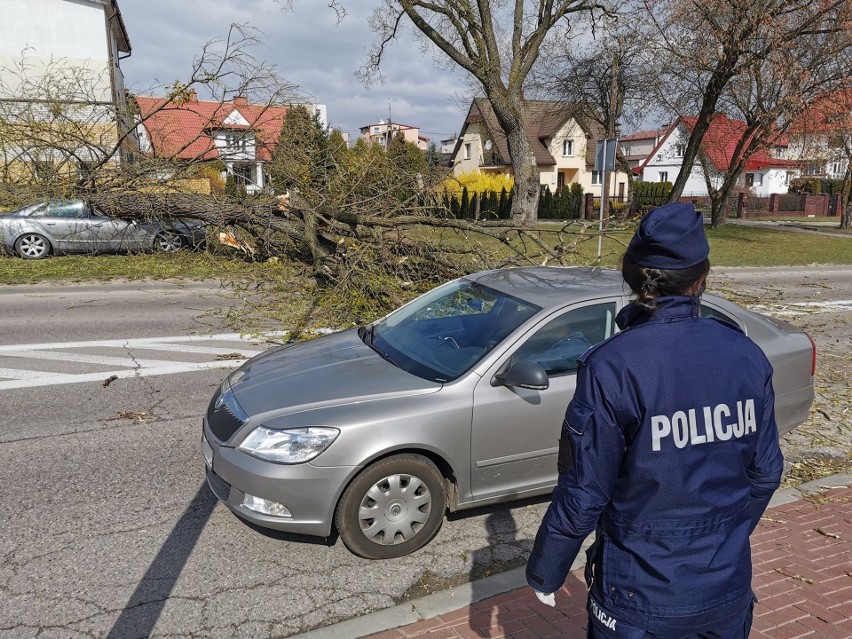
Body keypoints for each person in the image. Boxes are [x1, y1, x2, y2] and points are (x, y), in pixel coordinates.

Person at [526, 202, 784, 638]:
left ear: (630, 276)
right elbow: (766, 473)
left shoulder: (613, 366)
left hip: (636, 597)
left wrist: (546, 572)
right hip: (724, 588)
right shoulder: (747, 356)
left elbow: (585, 491)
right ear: (701, 278)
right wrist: (723, 539)